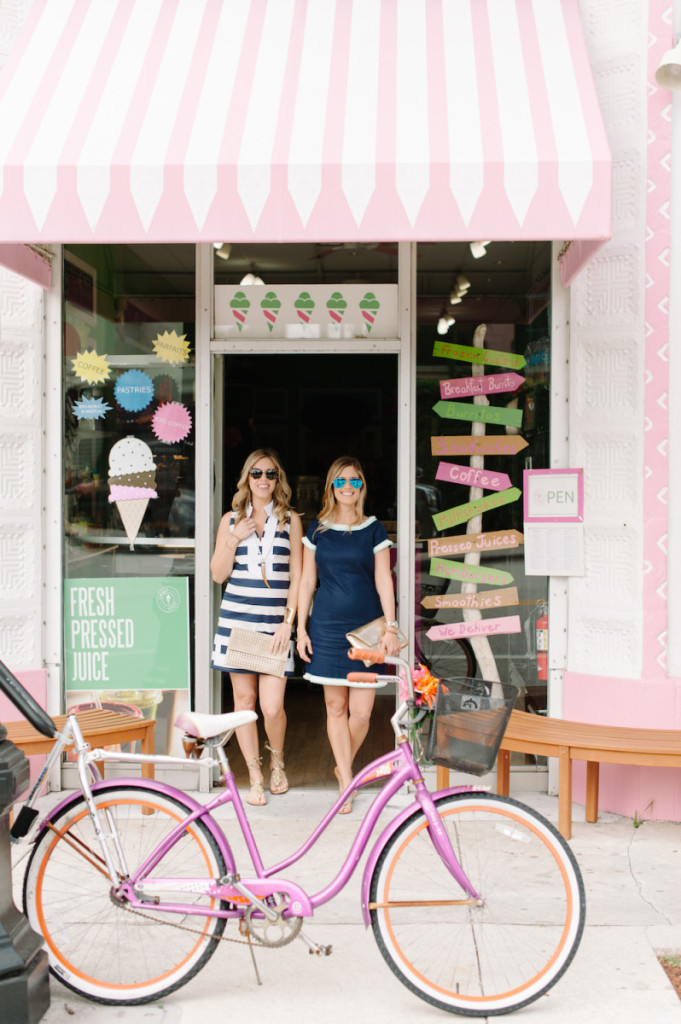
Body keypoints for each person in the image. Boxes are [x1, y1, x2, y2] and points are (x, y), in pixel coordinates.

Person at [296, 456, 401, 812]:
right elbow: (308, 581)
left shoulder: (374, 529)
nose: (347, 487)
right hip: (326, 626)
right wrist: (300, 629)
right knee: (335, 706)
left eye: (354, 481)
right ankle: (346, 778)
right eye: (340, 481)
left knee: (361, 714)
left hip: (366, 630)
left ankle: (343, 768)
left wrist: (392, 625)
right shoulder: (317, 530)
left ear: (362, 487)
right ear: (331, 487)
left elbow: (384, 580)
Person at [211, 448, 302, 805]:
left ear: (278, 480)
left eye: (270, 474)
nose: (263, 480)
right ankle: (254, 775)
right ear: (246, 478)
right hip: (237, 622)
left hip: (274, 626)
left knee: (273, 707)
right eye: (256, 473)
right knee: (245, 703)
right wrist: (235, 537)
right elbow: (218, 574)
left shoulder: (289, 519)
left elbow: (297, 577)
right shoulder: (230, 519)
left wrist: (288, 623)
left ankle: (278, 762)